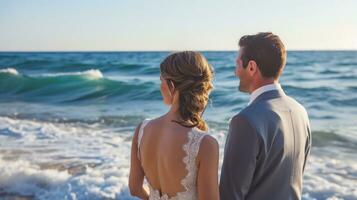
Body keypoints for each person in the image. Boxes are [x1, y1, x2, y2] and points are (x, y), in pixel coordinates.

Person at [220, 32, 311, 200]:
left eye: (238, 64)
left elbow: (230, 195)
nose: (235, 71)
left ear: (252, 67)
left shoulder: (245, 121)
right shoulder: (301, 112)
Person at [129, 51, 220, 200]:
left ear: (171, 85)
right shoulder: (205, 144)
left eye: (161, 81)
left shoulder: (142, 129)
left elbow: (135, 188)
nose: (160, 86)